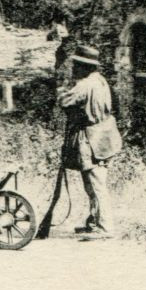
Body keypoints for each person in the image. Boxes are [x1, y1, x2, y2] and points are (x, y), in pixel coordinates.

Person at [56, 43, 123, 237]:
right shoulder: (101, 81)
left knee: (95, 183)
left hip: (92, 138)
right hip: (106, 134)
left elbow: (65, 102)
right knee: (94, 182)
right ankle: (95, 222)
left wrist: (62, 92)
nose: (74, 68)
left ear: (85, 66)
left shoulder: (84, 84)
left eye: (77, 64)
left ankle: (105, 227)